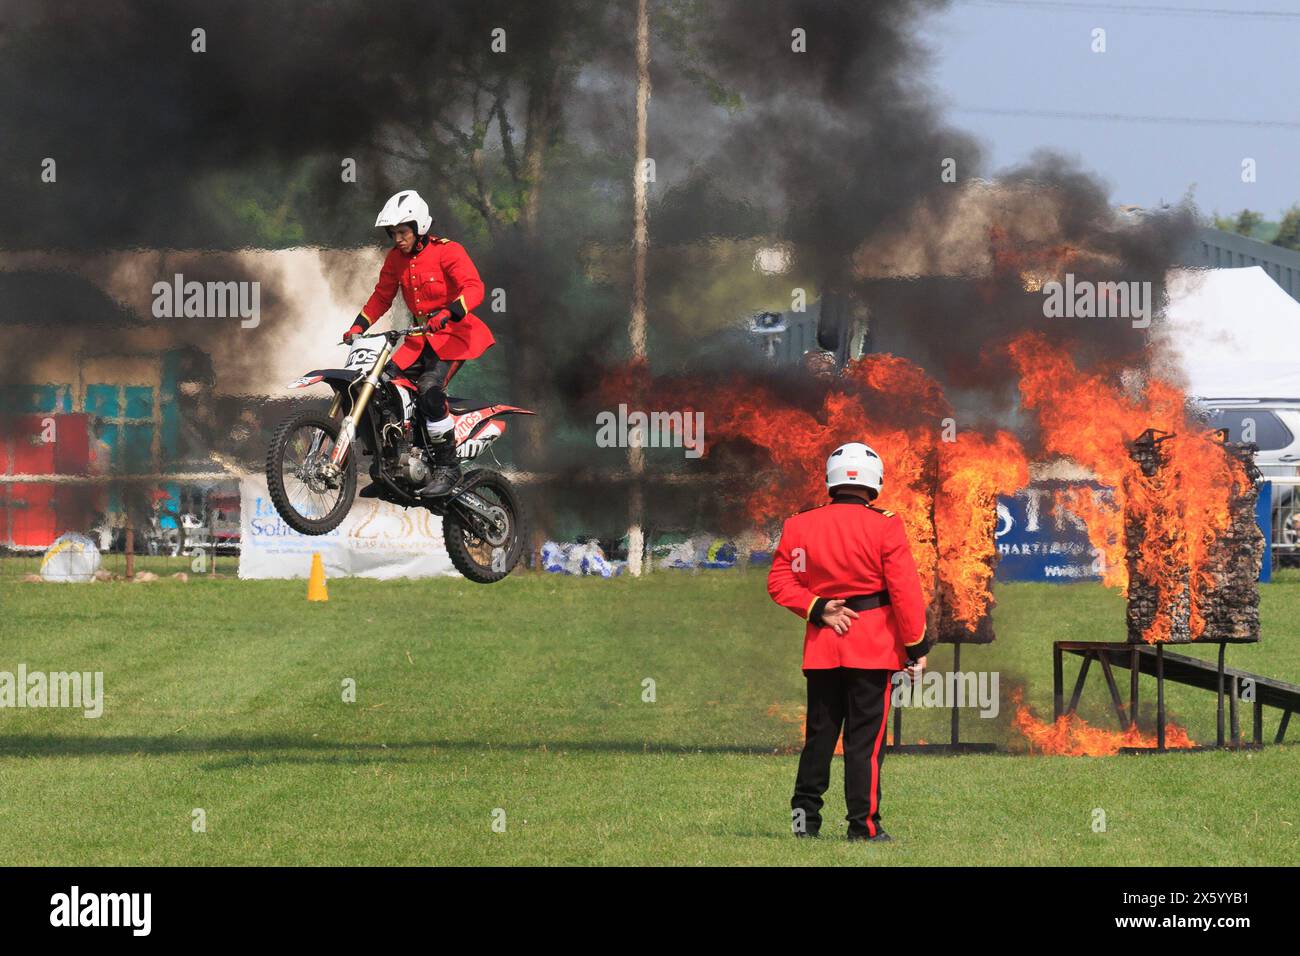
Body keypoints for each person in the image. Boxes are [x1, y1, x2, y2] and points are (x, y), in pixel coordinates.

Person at [766, 441, 933, 842]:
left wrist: (816, 606)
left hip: (823, 648)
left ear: (831, 479)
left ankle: (804, 824)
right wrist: (916, 648)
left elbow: (778, 581)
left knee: (819, 739)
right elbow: (904, 591)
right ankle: (864, 828)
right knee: (865, 745)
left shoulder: (800, 524)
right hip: (873, 649)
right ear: (874, 481)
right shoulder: (886, 524)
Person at [342, 190, 494, 497]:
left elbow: (474, 288)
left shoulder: (447, 252)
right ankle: (390, 469)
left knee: (428, 390)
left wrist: (449, 311)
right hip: (416, 341)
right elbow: (382, 296)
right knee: (384, 390)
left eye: (403, 232)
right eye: (392, 233)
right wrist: (358, 326)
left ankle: (448, 468)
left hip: (453, 337)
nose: (397, 239)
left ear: (419, 227)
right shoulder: (395, 259)